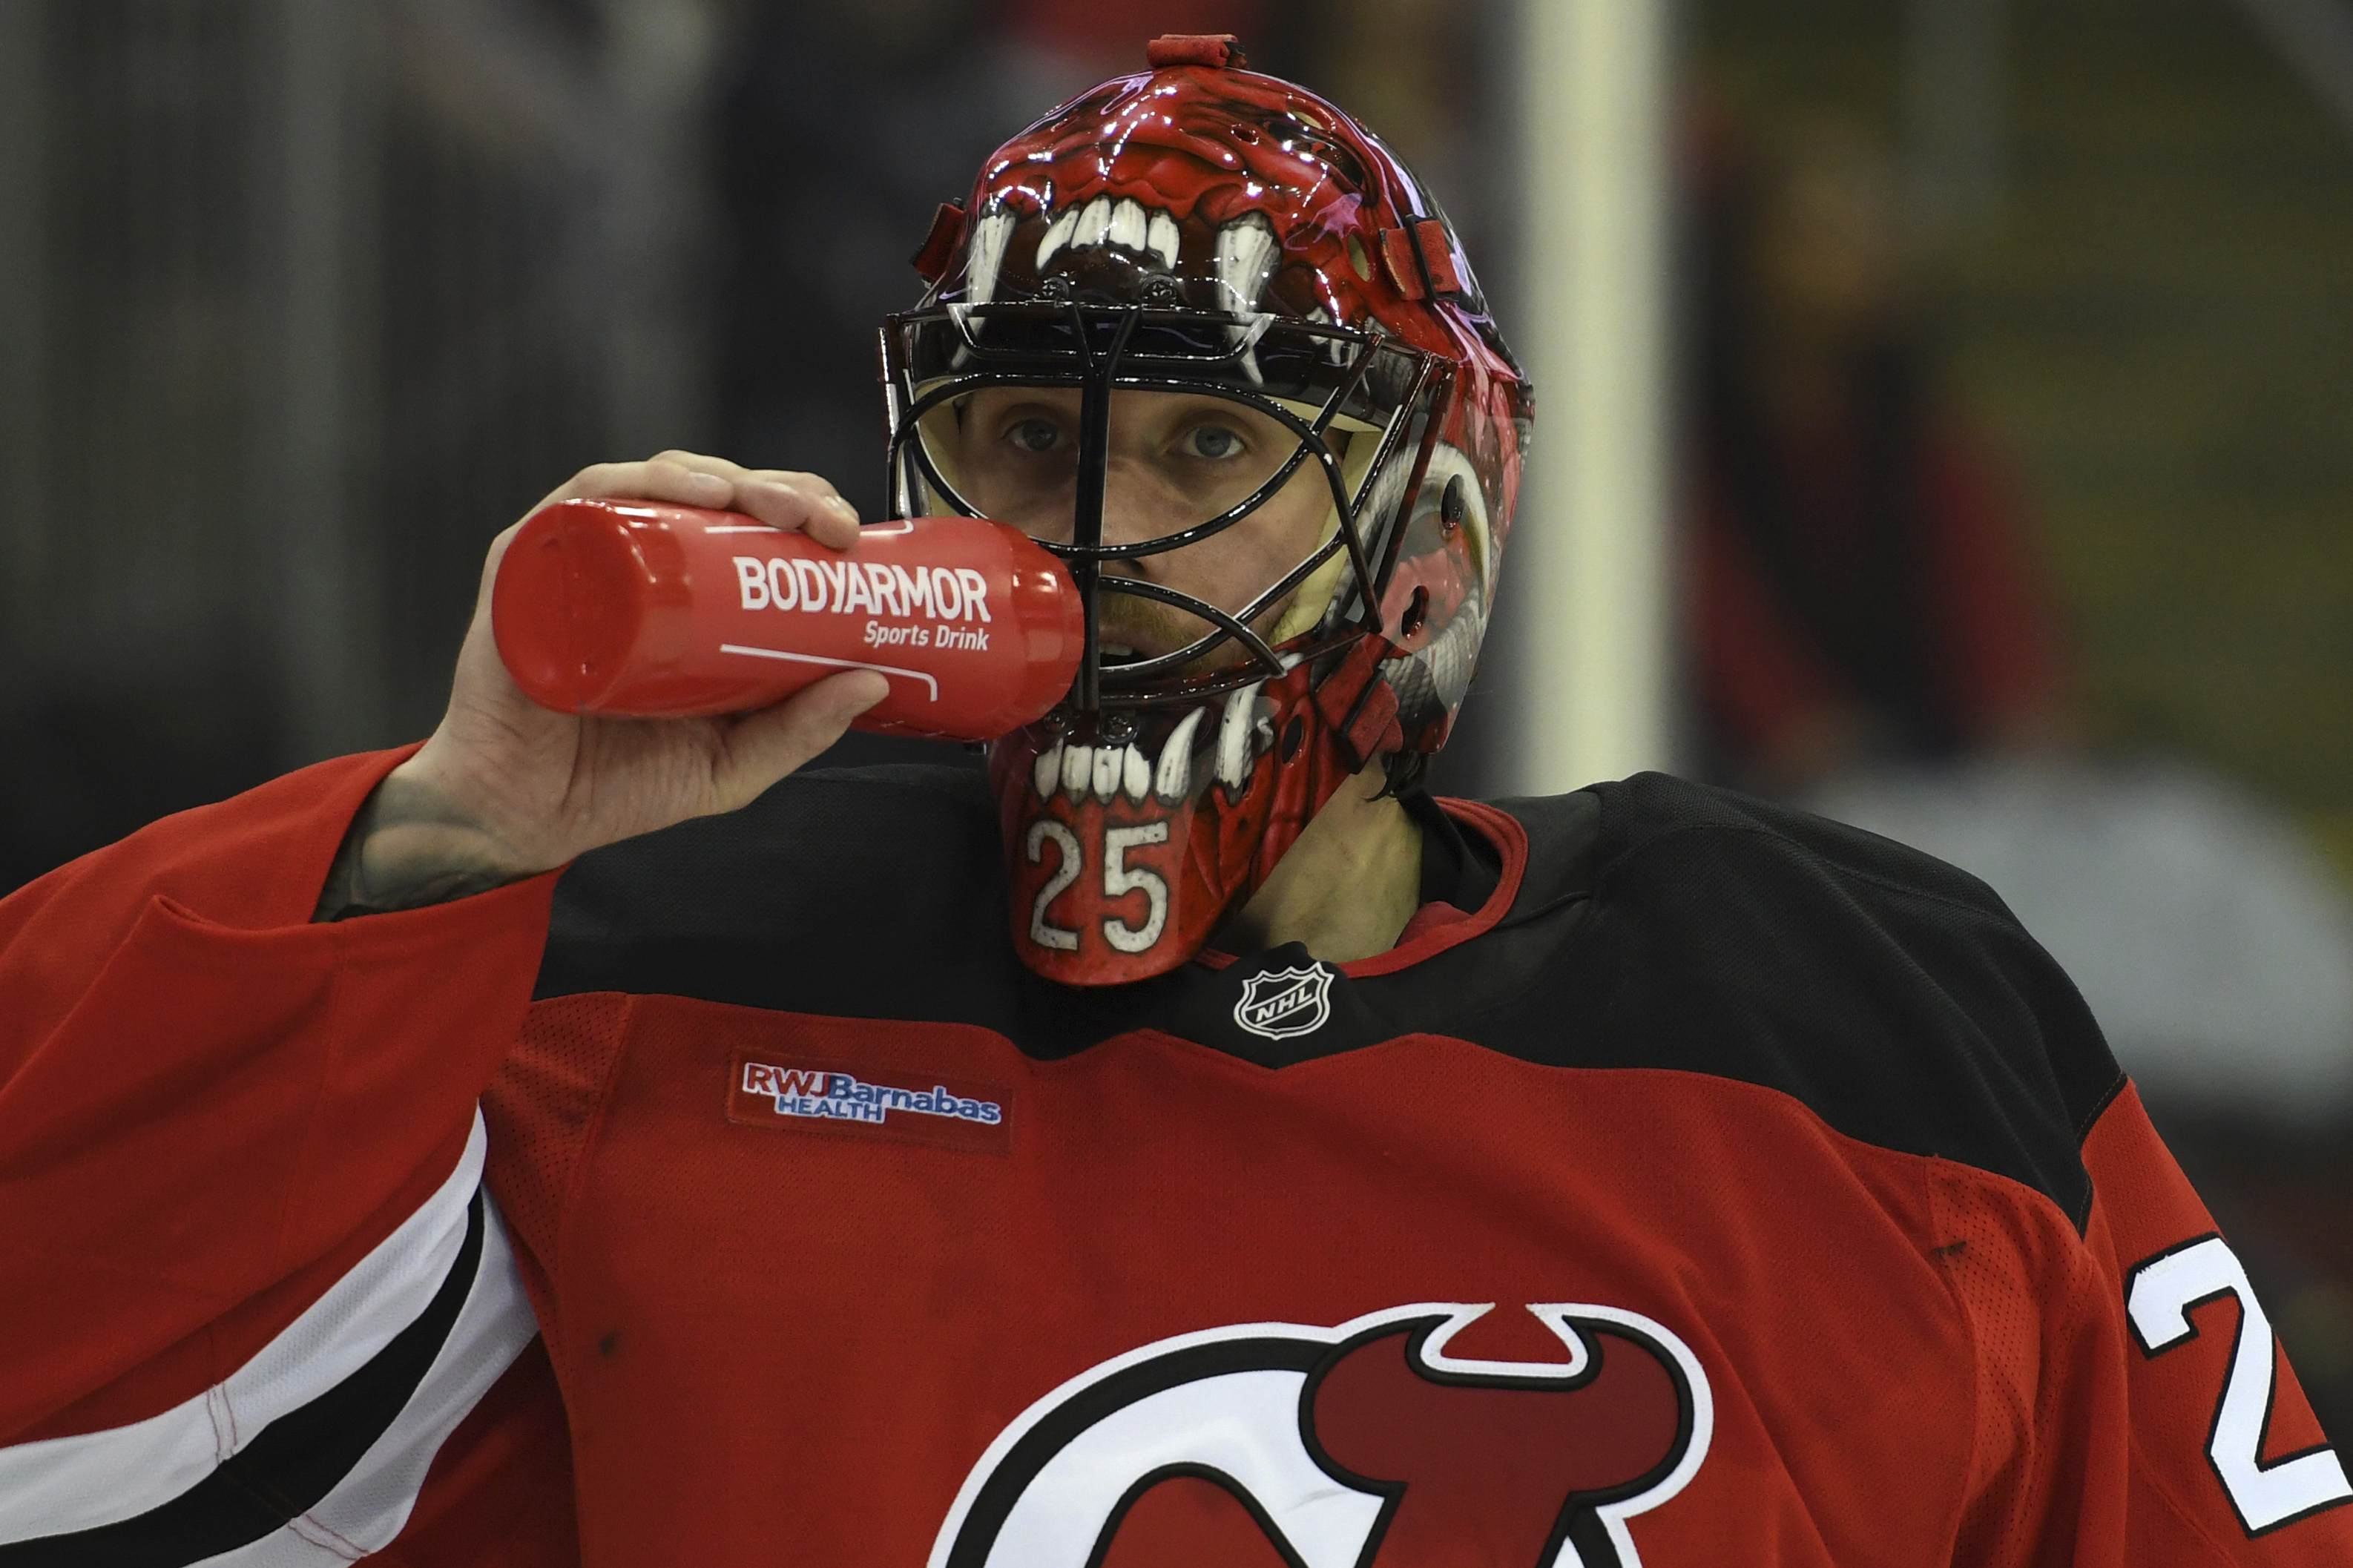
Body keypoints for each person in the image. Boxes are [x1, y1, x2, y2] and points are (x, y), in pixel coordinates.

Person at [4, 35, 2349, 1568]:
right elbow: (64, 1430)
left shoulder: (1870, 1019)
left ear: (1434, 548)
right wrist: (437, 840)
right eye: (1029, 441)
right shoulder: (629, 969)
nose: (1094, 544)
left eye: (1213, 447)